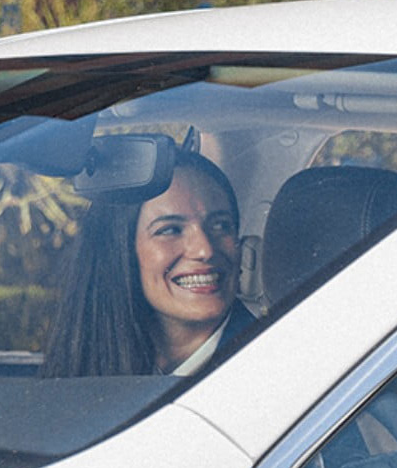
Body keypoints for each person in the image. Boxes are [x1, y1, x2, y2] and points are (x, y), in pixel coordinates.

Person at [42, 147, 258, 377]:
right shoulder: (91, 364)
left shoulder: (272, 368)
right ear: (121, 252)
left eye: (221, 225)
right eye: (170, 230)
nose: (204, 249)